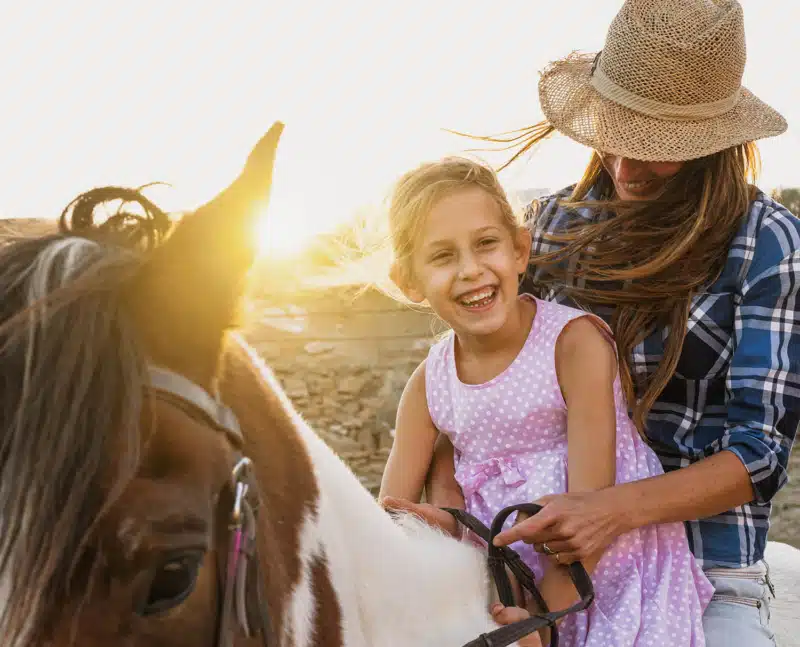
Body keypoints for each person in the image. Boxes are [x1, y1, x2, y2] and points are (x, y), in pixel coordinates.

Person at [389, 1, 799, 645]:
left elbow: (758, 454)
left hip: (707, 563)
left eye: (657, 149)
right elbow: (477, 389)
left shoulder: (768, 241)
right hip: (531, 558)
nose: (627, 169)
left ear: (714, 141)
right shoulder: (553, 224)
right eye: (618, 136)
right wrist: (458, 524)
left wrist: (607, 513)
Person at [378, 155, 713, 646]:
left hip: (600, 577)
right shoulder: (429, 385)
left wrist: (541, 624)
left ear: (519, 250)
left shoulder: (573, 344)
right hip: (496, 592)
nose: (471, 270)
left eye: (486, 244)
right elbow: (393, 523)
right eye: (443, 256)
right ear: (409, 281)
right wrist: (444, 527)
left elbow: (588, 509)